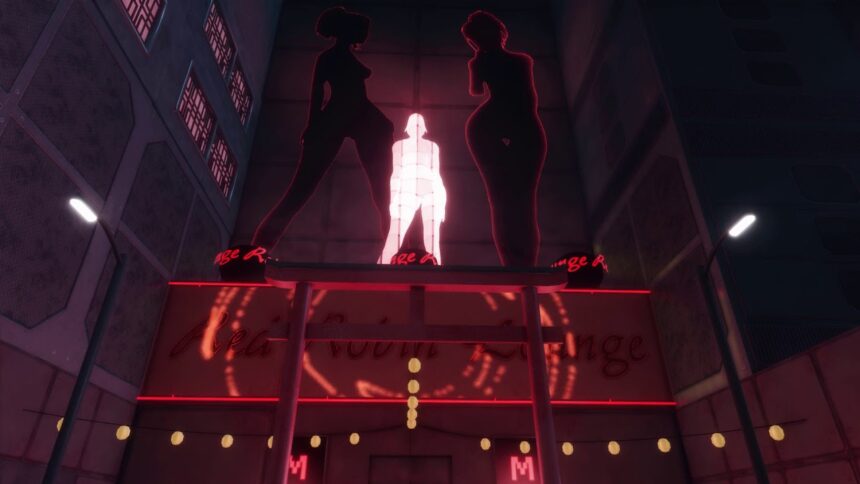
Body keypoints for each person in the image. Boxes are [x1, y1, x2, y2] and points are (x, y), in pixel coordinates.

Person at [253, 7, 394, 251]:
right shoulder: (330, 58)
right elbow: (317, 92)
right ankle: (260, 246)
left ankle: (389, 236)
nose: (364, 37)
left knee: (381, 190)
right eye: (361, 32)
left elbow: (329, 94)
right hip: (340, 116)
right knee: (301, 189)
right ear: (348, 31)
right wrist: (313, 125)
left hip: (354, 116)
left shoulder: (338, 57)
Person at [461, 10, 547, 267]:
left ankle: (523, 264)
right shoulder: (491, 63)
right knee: (502, 199)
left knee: (518, 199)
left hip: (519, 129)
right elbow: (477, 91)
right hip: (490, 129)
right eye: (477, 39)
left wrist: (480, 63)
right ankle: (513, 264)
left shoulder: (520, 61)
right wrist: (478, 63)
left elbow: (525, 100)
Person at [380, 114, 447, 265]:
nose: (416, 128)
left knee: (432, 239)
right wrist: (393, 198)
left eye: (419, 125)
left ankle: (437, 272)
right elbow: (396, 173)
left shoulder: (433, 146)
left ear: (423, 128)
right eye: (413, 125)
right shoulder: (399, 146)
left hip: (431, 190)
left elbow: (436, 173)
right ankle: (380, 271)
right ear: (408, 127)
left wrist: (442, 201)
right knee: (395, 235)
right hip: (407, 189)